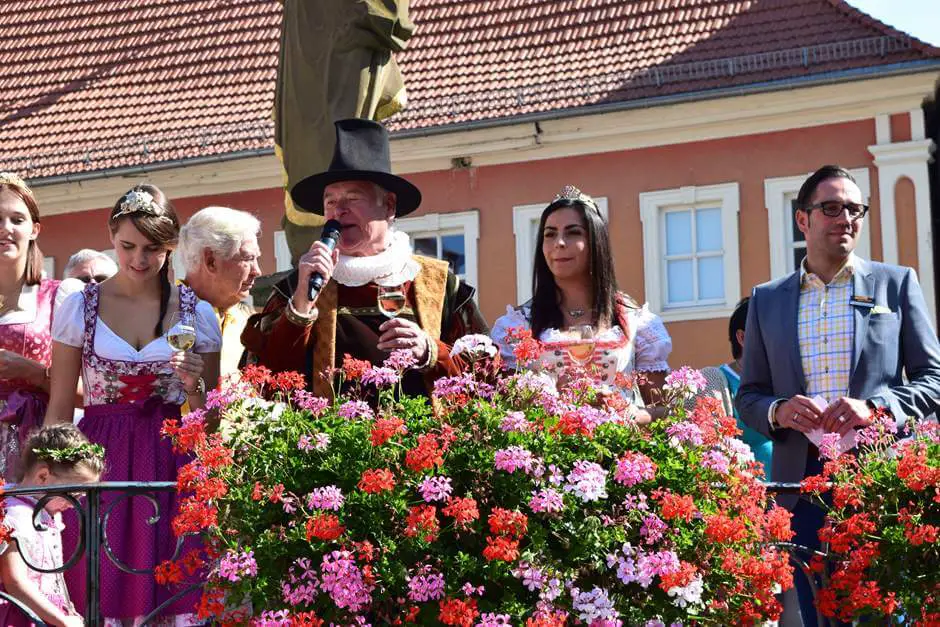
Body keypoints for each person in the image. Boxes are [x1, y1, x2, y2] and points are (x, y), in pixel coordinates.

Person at [735, 165, 940, 625]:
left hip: (881, 481)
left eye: (855, 209)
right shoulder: (766, 300)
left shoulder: (897, 284)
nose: (845, 218)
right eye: (831, 208)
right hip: (801, 485)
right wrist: (779, 410)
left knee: (885, 612)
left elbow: (934, 379)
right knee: (819, 612)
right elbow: (748, 396)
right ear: (802, 220)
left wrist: (876, 407)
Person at [43, 184, 222, 624]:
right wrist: (49, 485)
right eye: (127, 246)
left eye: (153, 249)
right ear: (110, 235)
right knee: (100, 591)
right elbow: (61, 406)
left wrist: (193, 384)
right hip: (99, 463)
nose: (139, 260)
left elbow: (211, 424)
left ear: (171, 248)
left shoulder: (196, 313)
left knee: (175, 591)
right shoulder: (78, 307)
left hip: (173, 462)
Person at [242, 118, 488, 398]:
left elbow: (488, 377)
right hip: (326, 440)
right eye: (330, 201)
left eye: (352, 198)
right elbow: (261, 383)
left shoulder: (441, 287)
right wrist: (301, 305)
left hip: (424, 441)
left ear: (389, 205)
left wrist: (431, 352)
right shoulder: (297, 288)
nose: (338, 211)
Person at [491, 185, 672, 423]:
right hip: (546, 456)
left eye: (573, 232)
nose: (560, 243)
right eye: (550, 234)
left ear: (596, 241)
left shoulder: (635, 321)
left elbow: (662, 411)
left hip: (621, 452)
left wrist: (628, 416)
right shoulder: (517, 326)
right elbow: (502, 411)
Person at [0, 173, 83, 482]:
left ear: (34, 229)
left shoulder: (60, 297)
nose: (6, 228)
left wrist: (33, 372)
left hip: (34, 442)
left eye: (17, 219)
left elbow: (89, 392)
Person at [0, 423, 105, 627]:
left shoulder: (48, 513)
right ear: (43, 476)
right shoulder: (14, 513)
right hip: (19, 615)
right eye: (72, 494)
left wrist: (67, 608)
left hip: (44, 612)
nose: (74, 504)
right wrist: (63, 620)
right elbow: (15, 582)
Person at [178, 206, 261, 378]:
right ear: (211, 261)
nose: (257, 271)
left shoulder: (247, 320)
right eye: (248, 258)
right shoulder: (162, 318)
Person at [694, 297, 773, 478]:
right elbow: (708, 450)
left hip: (795, 498)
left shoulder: (786, 379)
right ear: (742, 337)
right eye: (770, 331)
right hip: (747, 497)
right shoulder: (714, 381)